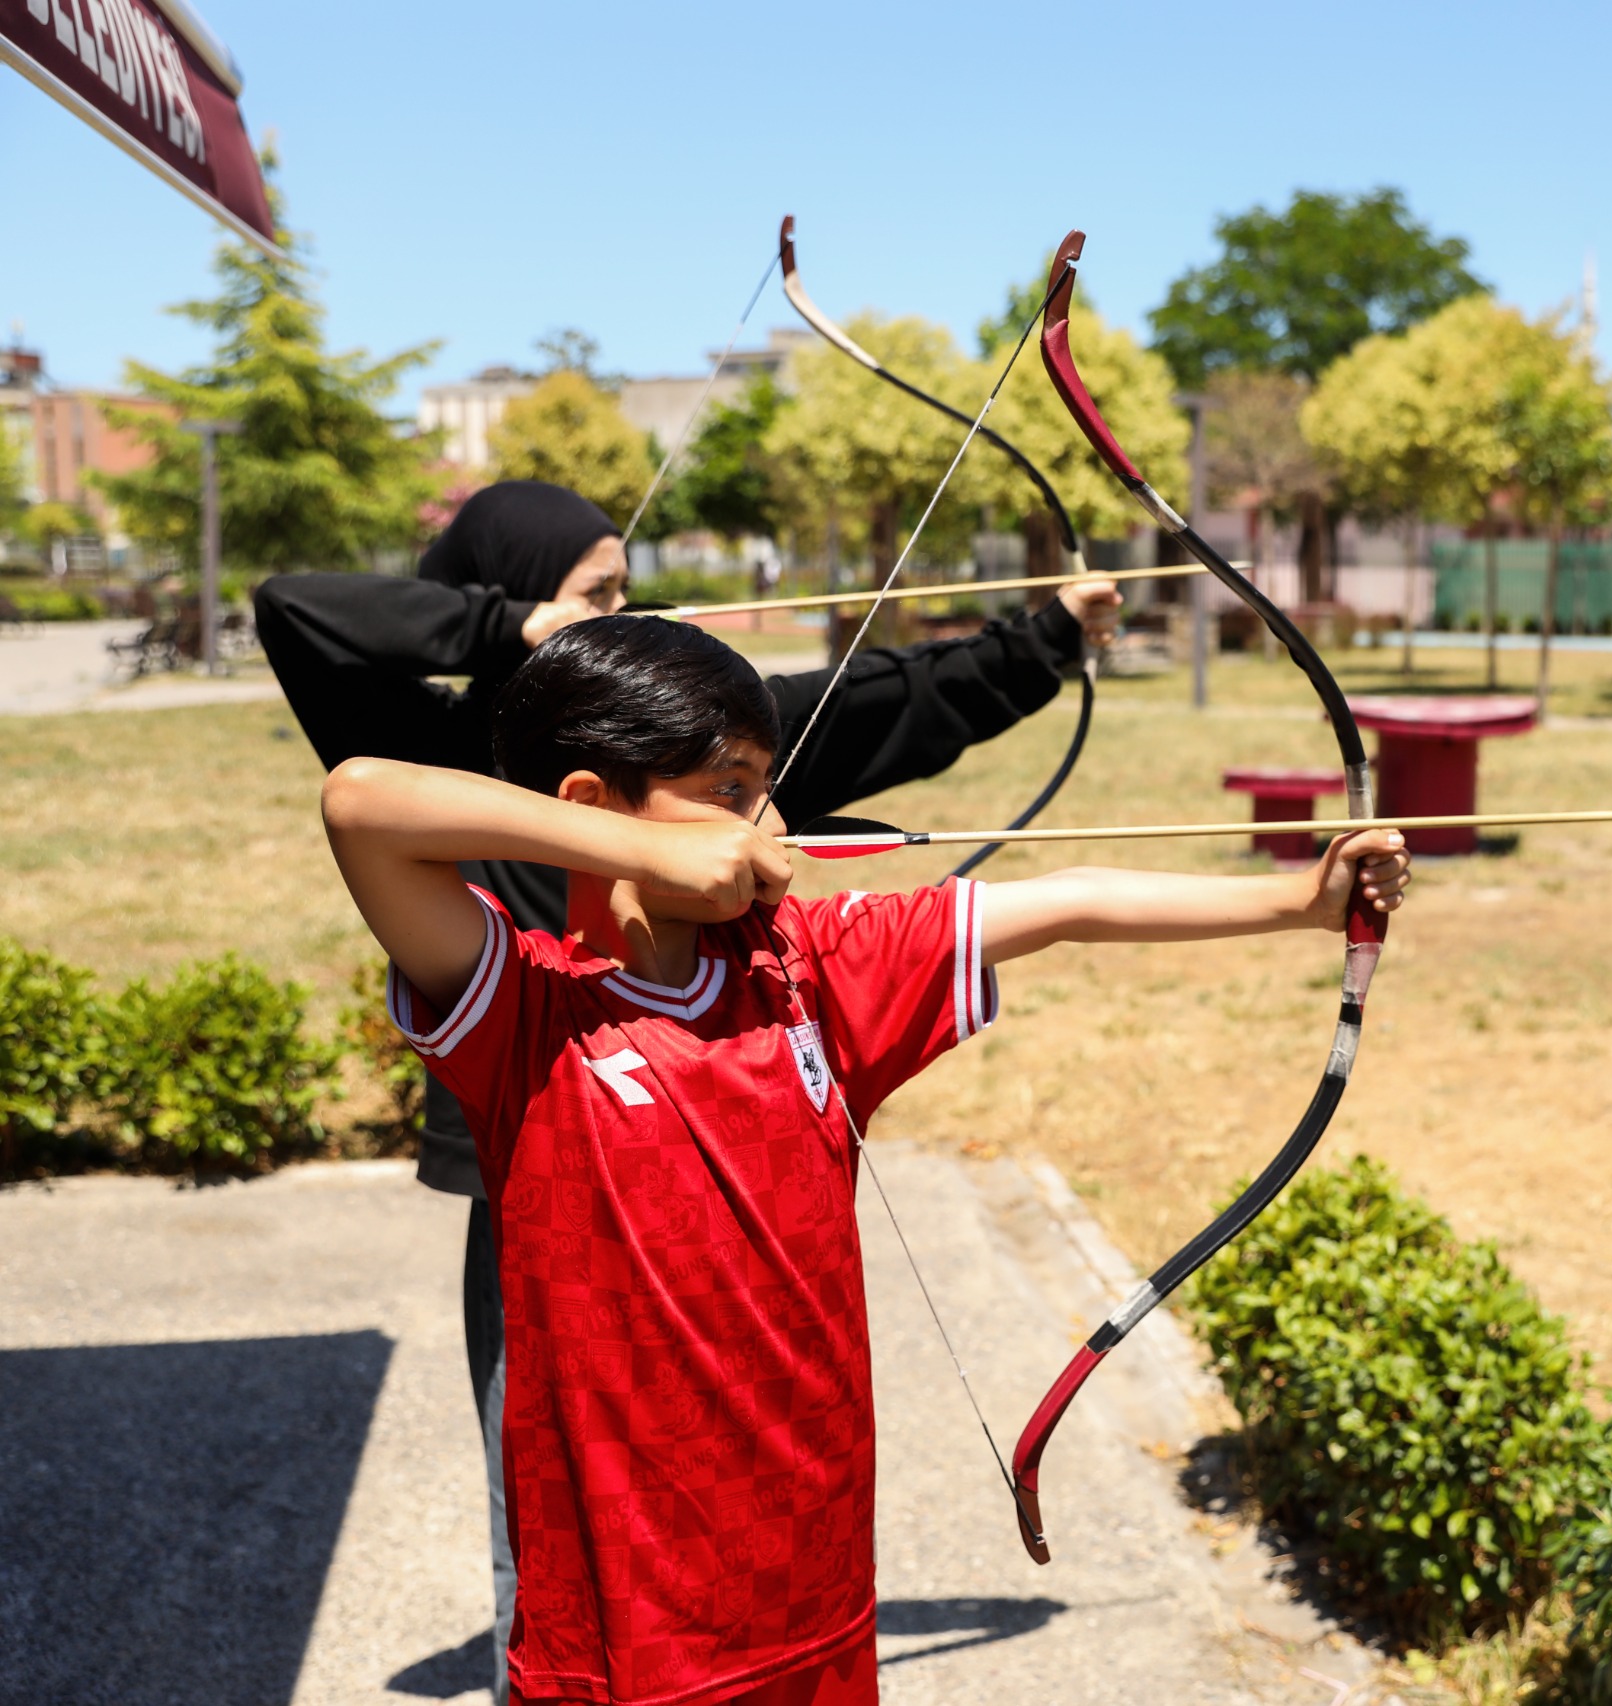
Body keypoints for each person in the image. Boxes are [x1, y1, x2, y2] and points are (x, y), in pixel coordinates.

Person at [319, 616, 1407, 1706]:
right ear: (593, 807)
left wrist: (1295, 904)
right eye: (732, 788)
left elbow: (1071, 903)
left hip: (813, 1582)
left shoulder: (813, 974)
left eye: (767, 786)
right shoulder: (526, 1010)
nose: (772, 822)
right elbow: (361, 800)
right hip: (625, 1617)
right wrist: (651, 853)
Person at [254, 480, 1122, 1700]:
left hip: (702, 1133)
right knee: (563, 1480)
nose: (621, 605)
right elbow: (305, 631)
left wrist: (1041, 640)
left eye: (625, 584)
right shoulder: (441, 727)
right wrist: (521, 634)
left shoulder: (688, 762)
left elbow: (874, 707)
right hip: (547, 1147)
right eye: (596, 588)